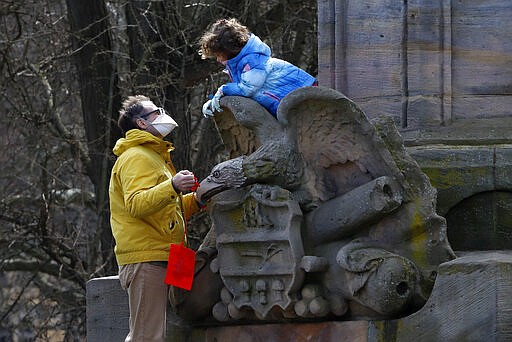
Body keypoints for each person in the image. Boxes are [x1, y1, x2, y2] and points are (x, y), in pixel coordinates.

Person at [109, 95, 202, 341]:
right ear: (140, 123)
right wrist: (172, 185)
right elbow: (136, 204)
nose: (163, 114)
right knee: (147, 336)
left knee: (175, 333)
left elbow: (166, 209)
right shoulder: (135, 156)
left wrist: (199, 199)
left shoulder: (155, 156)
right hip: (148, 258)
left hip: (172, 255)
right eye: (156, 112)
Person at [199, 18, 317, 118]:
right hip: (293, 107)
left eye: (219, 55)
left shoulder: (253, 61)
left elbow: (247, 89)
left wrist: (223, 90)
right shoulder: (243, 63)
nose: (218, 60)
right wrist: (214, 100)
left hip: (307, 102)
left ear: (229, 50)